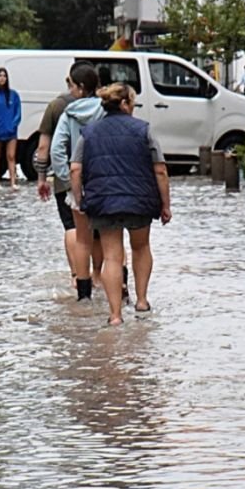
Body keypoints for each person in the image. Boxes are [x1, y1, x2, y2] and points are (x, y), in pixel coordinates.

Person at [70, 83, 172, 325]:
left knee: (112, 256)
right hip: (140, 200)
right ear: (125, 103)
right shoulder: (144, 130)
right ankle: (142, 301)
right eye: (133, 103)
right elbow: (160, 170)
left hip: (103, 201)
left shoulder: (89, 132)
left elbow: (75, 169)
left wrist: (80, 200)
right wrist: (165, 204)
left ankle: (115, 315)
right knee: (141, 247)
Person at [51, 63, 107, 302]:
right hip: (106, 181)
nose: (70, 90)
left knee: (82, 238)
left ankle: (84, 294)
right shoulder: (107, 110)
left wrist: (67, 177)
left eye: (72, 85)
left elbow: (56, 151)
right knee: (109, 237)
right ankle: (113, 283)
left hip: (79, 181)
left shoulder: (69, 113)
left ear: (81, 87)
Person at [34, 62, 84, 285]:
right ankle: (101, 277)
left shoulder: (55, 106)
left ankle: (77, 275)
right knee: (101, 232)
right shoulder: (101, 104)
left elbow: (44, 147)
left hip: (65, 175)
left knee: (71, 225)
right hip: (96, 176)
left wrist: (42, 178)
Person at [0, 67, 23, 190]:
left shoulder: (13, 95)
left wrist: (14, 124)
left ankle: (13, 182)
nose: (2, 78)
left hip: (11, 131)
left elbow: (18, 112)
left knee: (11, 156)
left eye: (4, 76)